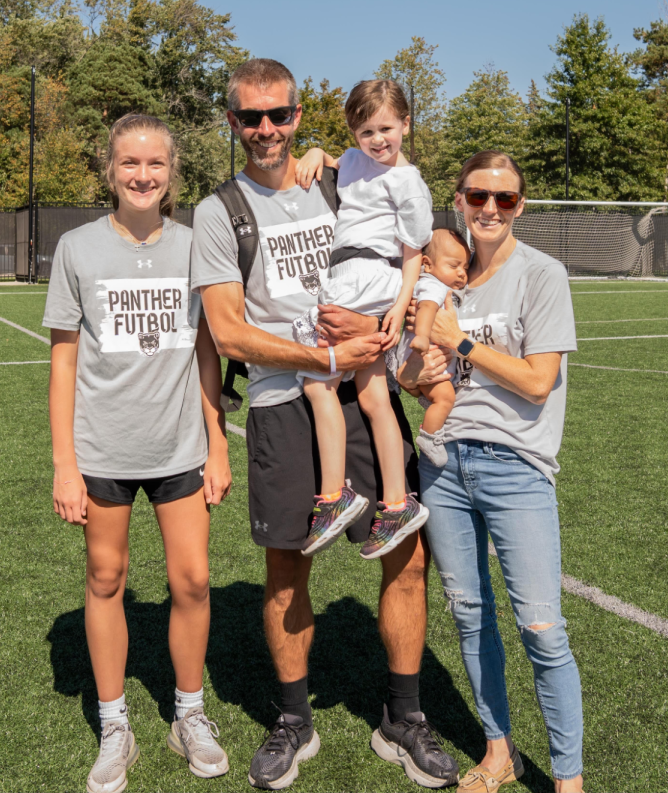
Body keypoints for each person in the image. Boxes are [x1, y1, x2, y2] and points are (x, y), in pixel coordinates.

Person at [191, 58, 459, 790]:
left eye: (279, 115)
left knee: (407, 552)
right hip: (286, 401)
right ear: (233, 123)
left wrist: (378, 326)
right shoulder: (221, 213)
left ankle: (403, 716)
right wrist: (322, 351)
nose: (267, 129)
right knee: (287, 566)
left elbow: (407, 230)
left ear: (300, 116)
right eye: (252, 118)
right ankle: (293, 719)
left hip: (361, 386)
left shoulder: (339, 176)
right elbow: (228, 332)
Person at [44, 113, 232, 793]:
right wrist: (66, 463)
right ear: (110, 170)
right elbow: (63, 363)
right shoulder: (78, 249)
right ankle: (115, 723)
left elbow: (209, 352)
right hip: (103, 453)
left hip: (180, 446)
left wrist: (218, 444)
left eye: (155, 164)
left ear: (171, 173)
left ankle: (189, 713)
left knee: (193, 583)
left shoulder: (194, 246)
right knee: (105, 581)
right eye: (130, 163)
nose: (143, 175)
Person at [399, 151, 585, 793]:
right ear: (460, 199)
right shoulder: (440, 276)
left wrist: (464, 344)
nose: (490, 209)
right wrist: (417, 373)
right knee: (470, 614)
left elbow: (539, 381)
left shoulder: (542, 273)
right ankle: (498, 753)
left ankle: (568, 780)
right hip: (445, 466)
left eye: (504, 200)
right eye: (479, 196)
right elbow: (407, 372)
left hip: (517, 468)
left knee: (542, 627)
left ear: (520, 207)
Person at [290, 80, 432, 560]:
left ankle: (334, 496)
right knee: (374, 399)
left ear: (406, 125)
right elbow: (332, 161)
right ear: (353, 131)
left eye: (387, 128)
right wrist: (314, 151)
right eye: (366, 130)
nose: (378, 140)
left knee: (316, 381)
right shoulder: (351, 160)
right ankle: (395, 503)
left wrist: (400, 303)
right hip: (352, 273)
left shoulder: (408, 182)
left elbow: (414, 251)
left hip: (370, 278)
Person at [402, 228, 469, 467]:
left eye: (465, 268)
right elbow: (427, 308)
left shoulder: (433, 283)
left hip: (425, 360)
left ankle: (430, 410)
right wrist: (421, 336)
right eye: (454, 266)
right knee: (445, 398)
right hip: (423, 355)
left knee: (440, 396)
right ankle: (430, 437)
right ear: (427, 265)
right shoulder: (434, 287)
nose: (462, 273)